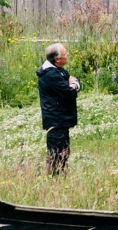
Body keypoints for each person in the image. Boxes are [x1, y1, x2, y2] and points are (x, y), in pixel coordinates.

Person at [37, 43, 80, 175]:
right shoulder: (51, 75)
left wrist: (73, 84)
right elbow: (69, 92)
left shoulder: (59, 71)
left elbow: (71, 82)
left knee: (64, 150)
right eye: (65, 54)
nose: (67, 56)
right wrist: (74, 85)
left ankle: (61, 174)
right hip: (56, 119)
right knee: (56, 152)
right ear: (57, 59)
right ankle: (55, 177)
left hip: (61, 118)